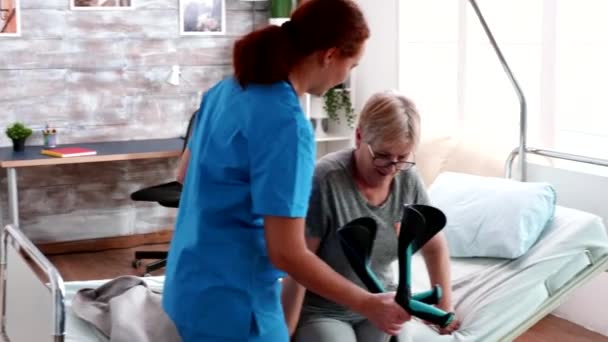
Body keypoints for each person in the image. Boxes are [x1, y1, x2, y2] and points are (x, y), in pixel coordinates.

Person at [162, 1, 411, 341]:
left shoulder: (228, 89)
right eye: (351, 65)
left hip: (188, 284)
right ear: (329, 54)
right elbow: (287, 252)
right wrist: (368, 304)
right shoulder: (287, 125)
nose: (347, 76)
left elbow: (185, 174)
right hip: (236, 305)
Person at [282, 91, 462, 341]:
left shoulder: (407, 179)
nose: (391, 169)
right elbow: (298, 264)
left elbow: (435, 246)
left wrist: (445, 308)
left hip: (383, 299)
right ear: (358, 137)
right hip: (324, 309)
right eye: (383, 156)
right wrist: (284, 331)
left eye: (402, 158)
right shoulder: (325, 180)